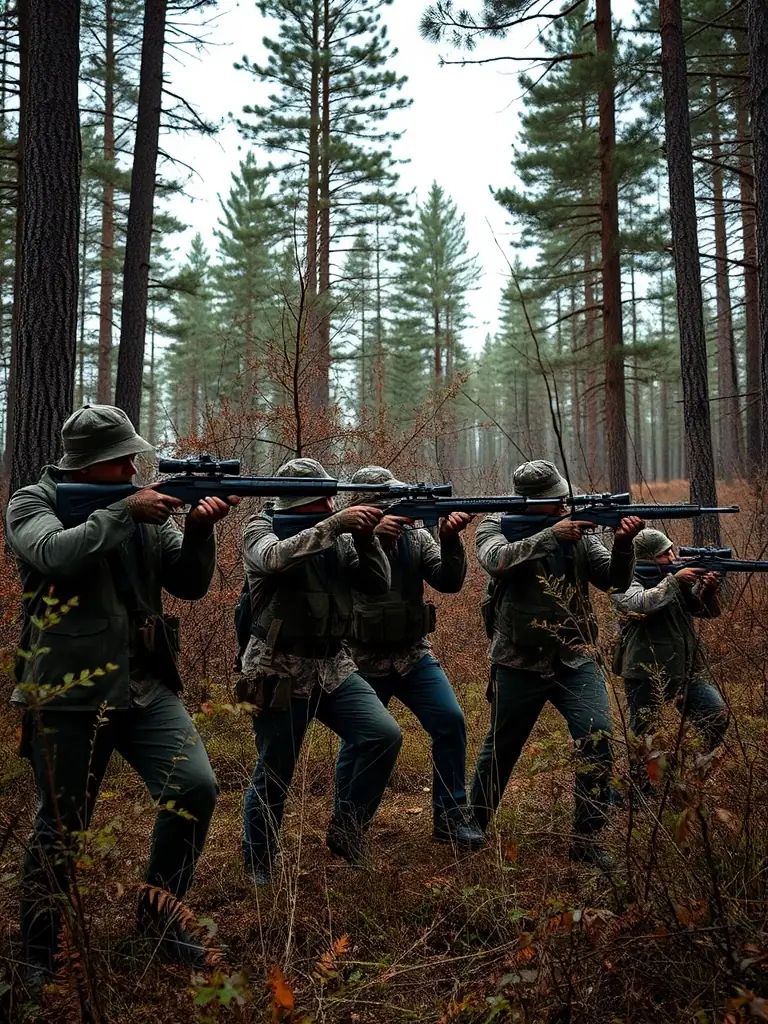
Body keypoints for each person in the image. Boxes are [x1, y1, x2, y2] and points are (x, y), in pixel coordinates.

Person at [6, 404, 236, 985]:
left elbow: (188, 582)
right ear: (95, 462)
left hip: (145, 683)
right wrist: (122, 513)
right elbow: (53, 554)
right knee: (62, 822)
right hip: (68, 690)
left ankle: (159, 916)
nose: (135, 464)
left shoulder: (144, 510)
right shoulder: (32, 502)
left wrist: (201, 530)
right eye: (124, 458)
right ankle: (38, 948)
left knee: (195, 787)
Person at [470, 460, 644, 870]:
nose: (563, 505)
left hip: (575, 656)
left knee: (598, 735)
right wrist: (550, 536)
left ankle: (587, 838)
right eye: (553, 502)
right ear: (530, 503)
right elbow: (495, 561)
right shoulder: (496, 525)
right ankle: (473, 826)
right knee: (502, 746)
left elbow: (614, 583)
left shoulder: (579, 529)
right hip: (518, 657)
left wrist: (623, 544)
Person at [240, 458, 403, 886]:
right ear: (309, 501)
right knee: (275, 771)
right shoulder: (261, 528)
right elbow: (273, 560)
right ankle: (259, 860)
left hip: (333, 665)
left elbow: (375, 584)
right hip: (276, 668)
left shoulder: (338, 536)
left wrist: (366, 540)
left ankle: (347, 830)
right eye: (325, 498)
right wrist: (335, 525)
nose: (333, 502)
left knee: (382, 735)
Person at [335, 466, 484, 851]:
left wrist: (450, 539)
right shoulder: (344, 540)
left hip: (413, 655)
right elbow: (352, 577)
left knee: (450, 722)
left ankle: (451, 816)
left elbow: (447, 581)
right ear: (366, 507)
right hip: (360, 659)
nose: (398, 512)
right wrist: (372, 539)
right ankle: (347, 826)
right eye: (387, 505)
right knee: (360, 743)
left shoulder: (416, 536)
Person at [611, 528, 728, 794]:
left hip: (686, 671)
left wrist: (707, 591)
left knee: (716, 715)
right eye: (666, 554)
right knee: (645, 736)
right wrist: (674, 581)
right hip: (645, 672)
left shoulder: (671, 578)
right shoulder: (625, 580)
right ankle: (643, 797)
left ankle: (691, 776)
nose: (673, 558)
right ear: (648, 558)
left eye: (672, 552)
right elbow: (639, 604)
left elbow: (704, 611)